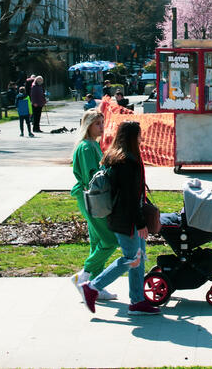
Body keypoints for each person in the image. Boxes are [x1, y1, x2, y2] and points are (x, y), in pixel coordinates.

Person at [80, 121, 161, 315]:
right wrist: (141, 223)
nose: (142, 138)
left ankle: (137, 301)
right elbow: (129, 197)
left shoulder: (118, 157)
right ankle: (92, 287)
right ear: (132, 137)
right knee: (132, 258)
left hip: (123, 217)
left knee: (138, 259)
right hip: (127, 219)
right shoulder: (127, 162)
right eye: (140, 134)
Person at [69, 110, 119, 303]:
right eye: (97, 123)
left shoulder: (92, 145)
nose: (101, 126)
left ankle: (95, 286)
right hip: (93, 198)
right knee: (109, 240)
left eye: (102, 122)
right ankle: (84, 275)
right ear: (88, 125)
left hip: (92, 197)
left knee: (97, 241)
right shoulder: (87, 148)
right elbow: (93, 178)